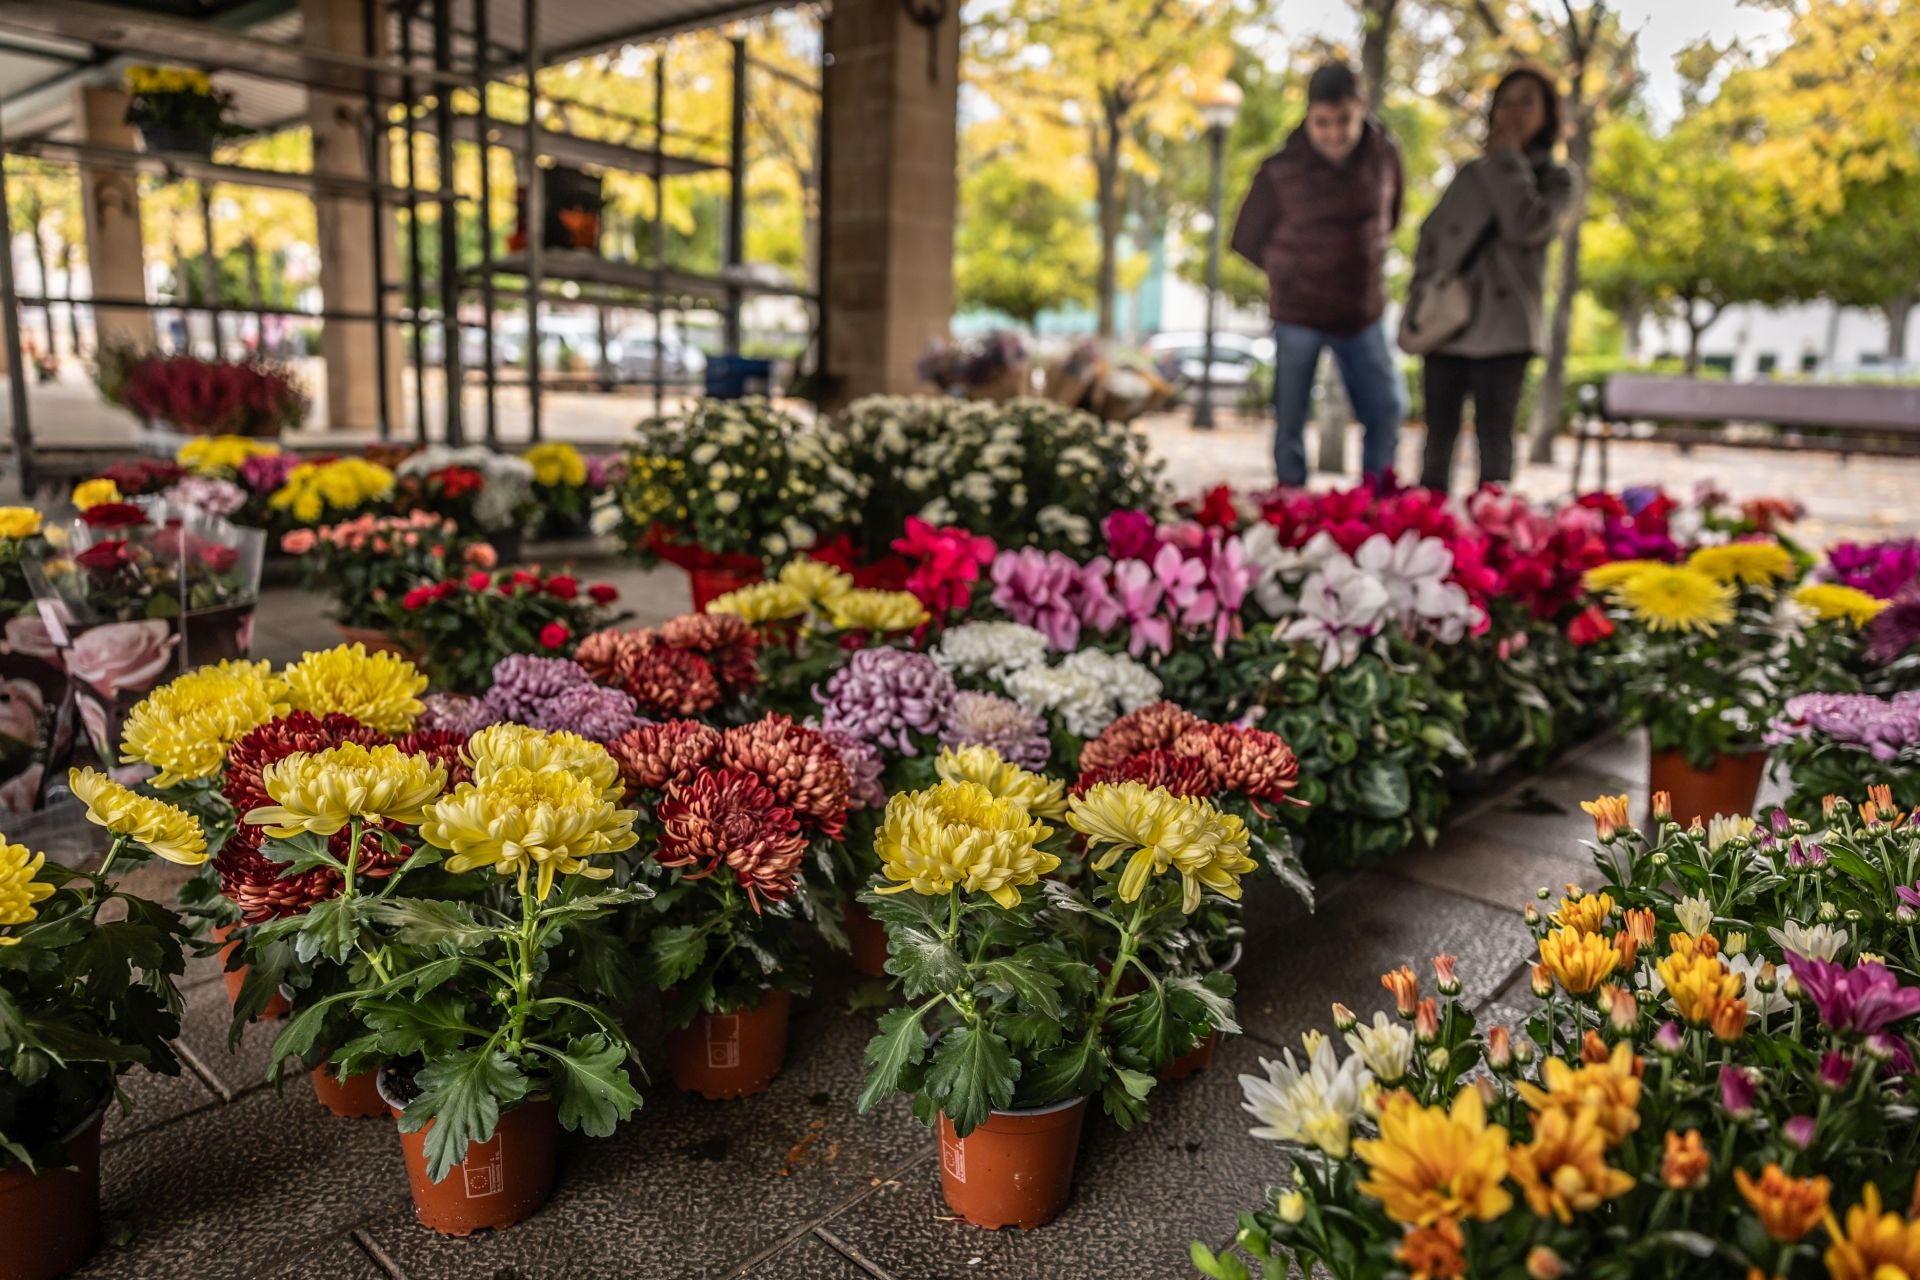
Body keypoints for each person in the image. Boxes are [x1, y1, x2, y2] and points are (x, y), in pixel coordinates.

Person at [1230, 62, 1409, 487]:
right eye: (1322, 123)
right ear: (1308, 117)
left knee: (1386, 411)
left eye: (1344, 120)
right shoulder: (1279, 167)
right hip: (1298, 313)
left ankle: (1376, 501)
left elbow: (1393, 216)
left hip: (1362, 312)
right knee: (1290, 417)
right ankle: (1290, 500)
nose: (1334, 133)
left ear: (1361, 109)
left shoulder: (1385, 155)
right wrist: (1289, 270)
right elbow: (1245, 237)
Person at [1410, 66, 1576, 493]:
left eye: (1527, 101)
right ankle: (1427, 530)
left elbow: (1527, 227)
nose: (1514, 111)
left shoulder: (1558, 179)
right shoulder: (1469, 174)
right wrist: (1422, 296)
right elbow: (1432, 237)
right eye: (1506, 100)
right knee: (1436, 443)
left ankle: (1491, 535)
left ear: (1547, 115)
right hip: (1449, 324)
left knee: (1495, 443)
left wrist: (1507, 161)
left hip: (1506, 329)